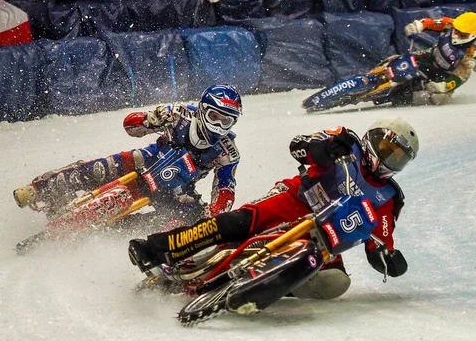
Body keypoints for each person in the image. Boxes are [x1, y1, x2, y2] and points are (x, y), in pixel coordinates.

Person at [128, 116, 418, 300]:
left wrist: (387, 259)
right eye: (389, 150)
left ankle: (274, 286)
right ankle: (156, 247)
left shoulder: (390, 197)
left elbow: (380, 238)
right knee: (238, 222)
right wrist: (325, 150)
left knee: (336, 282)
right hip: (296, 200)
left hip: (326, 238)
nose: (391, 160)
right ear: (373, 139)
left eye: (400, 158)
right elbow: (299, 146)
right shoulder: (346, 141)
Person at [13, 84, 243, 228]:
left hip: (179, 188)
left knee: (187, 223)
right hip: (148, 159)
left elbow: (225, 188)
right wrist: (150, 119)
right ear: (203, 110)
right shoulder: (179, 113)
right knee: (101, 167)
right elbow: (130, 125)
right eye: (214, 116)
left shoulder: (228, 150)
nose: (219, 125)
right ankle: (39, 189)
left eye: (227, 120)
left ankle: (119, 233)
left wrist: (216, 212)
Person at [403, 11, 476, 105]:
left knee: (438, 99)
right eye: (456, 30)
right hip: (432, 56)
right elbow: (431, 23)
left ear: (473, 35)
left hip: (445, 74)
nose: (456, 34)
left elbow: (461, 76)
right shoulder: (451, 23)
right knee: (405, 60)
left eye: (462, 34)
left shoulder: (472, 52)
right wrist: (417, 26)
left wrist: (443, 86)